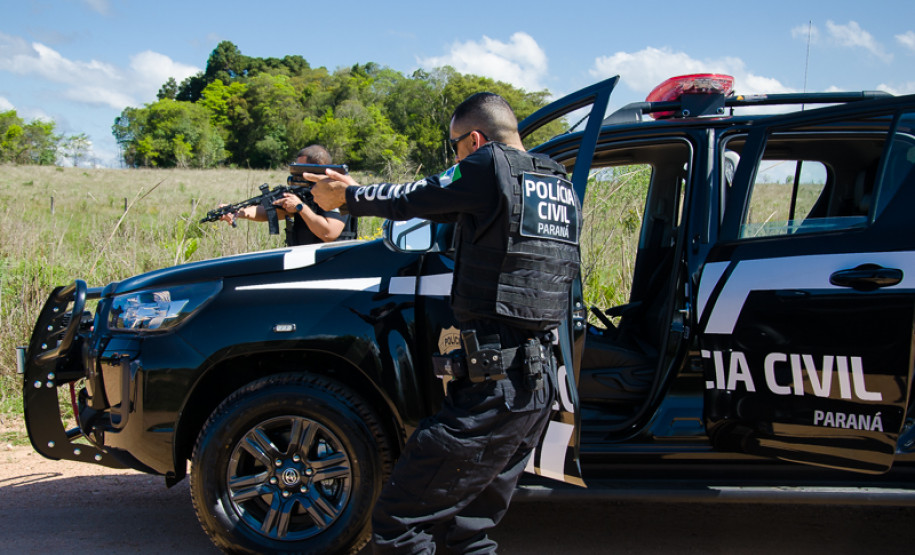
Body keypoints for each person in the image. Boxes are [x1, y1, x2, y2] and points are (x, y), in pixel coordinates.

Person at [309, 92, 581, 554]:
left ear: (473, 139)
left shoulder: (486, 165)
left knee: (398, 523)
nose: (454, 157)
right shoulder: (555, 182)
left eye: (454, 147)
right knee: (468, 532)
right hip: (535, 389)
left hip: (494, 391)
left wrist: (347, 198)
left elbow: (415, 196)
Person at [220, 144, 354, 245]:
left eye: (301, 170)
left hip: (332, 262)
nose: (297, 175)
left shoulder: (337, 191)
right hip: (305, 260)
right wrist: (238, 212)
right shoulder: (303, 192)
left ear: (317, 169)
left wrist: (300, 207)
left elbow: (329, 233)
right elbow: (271, 211)